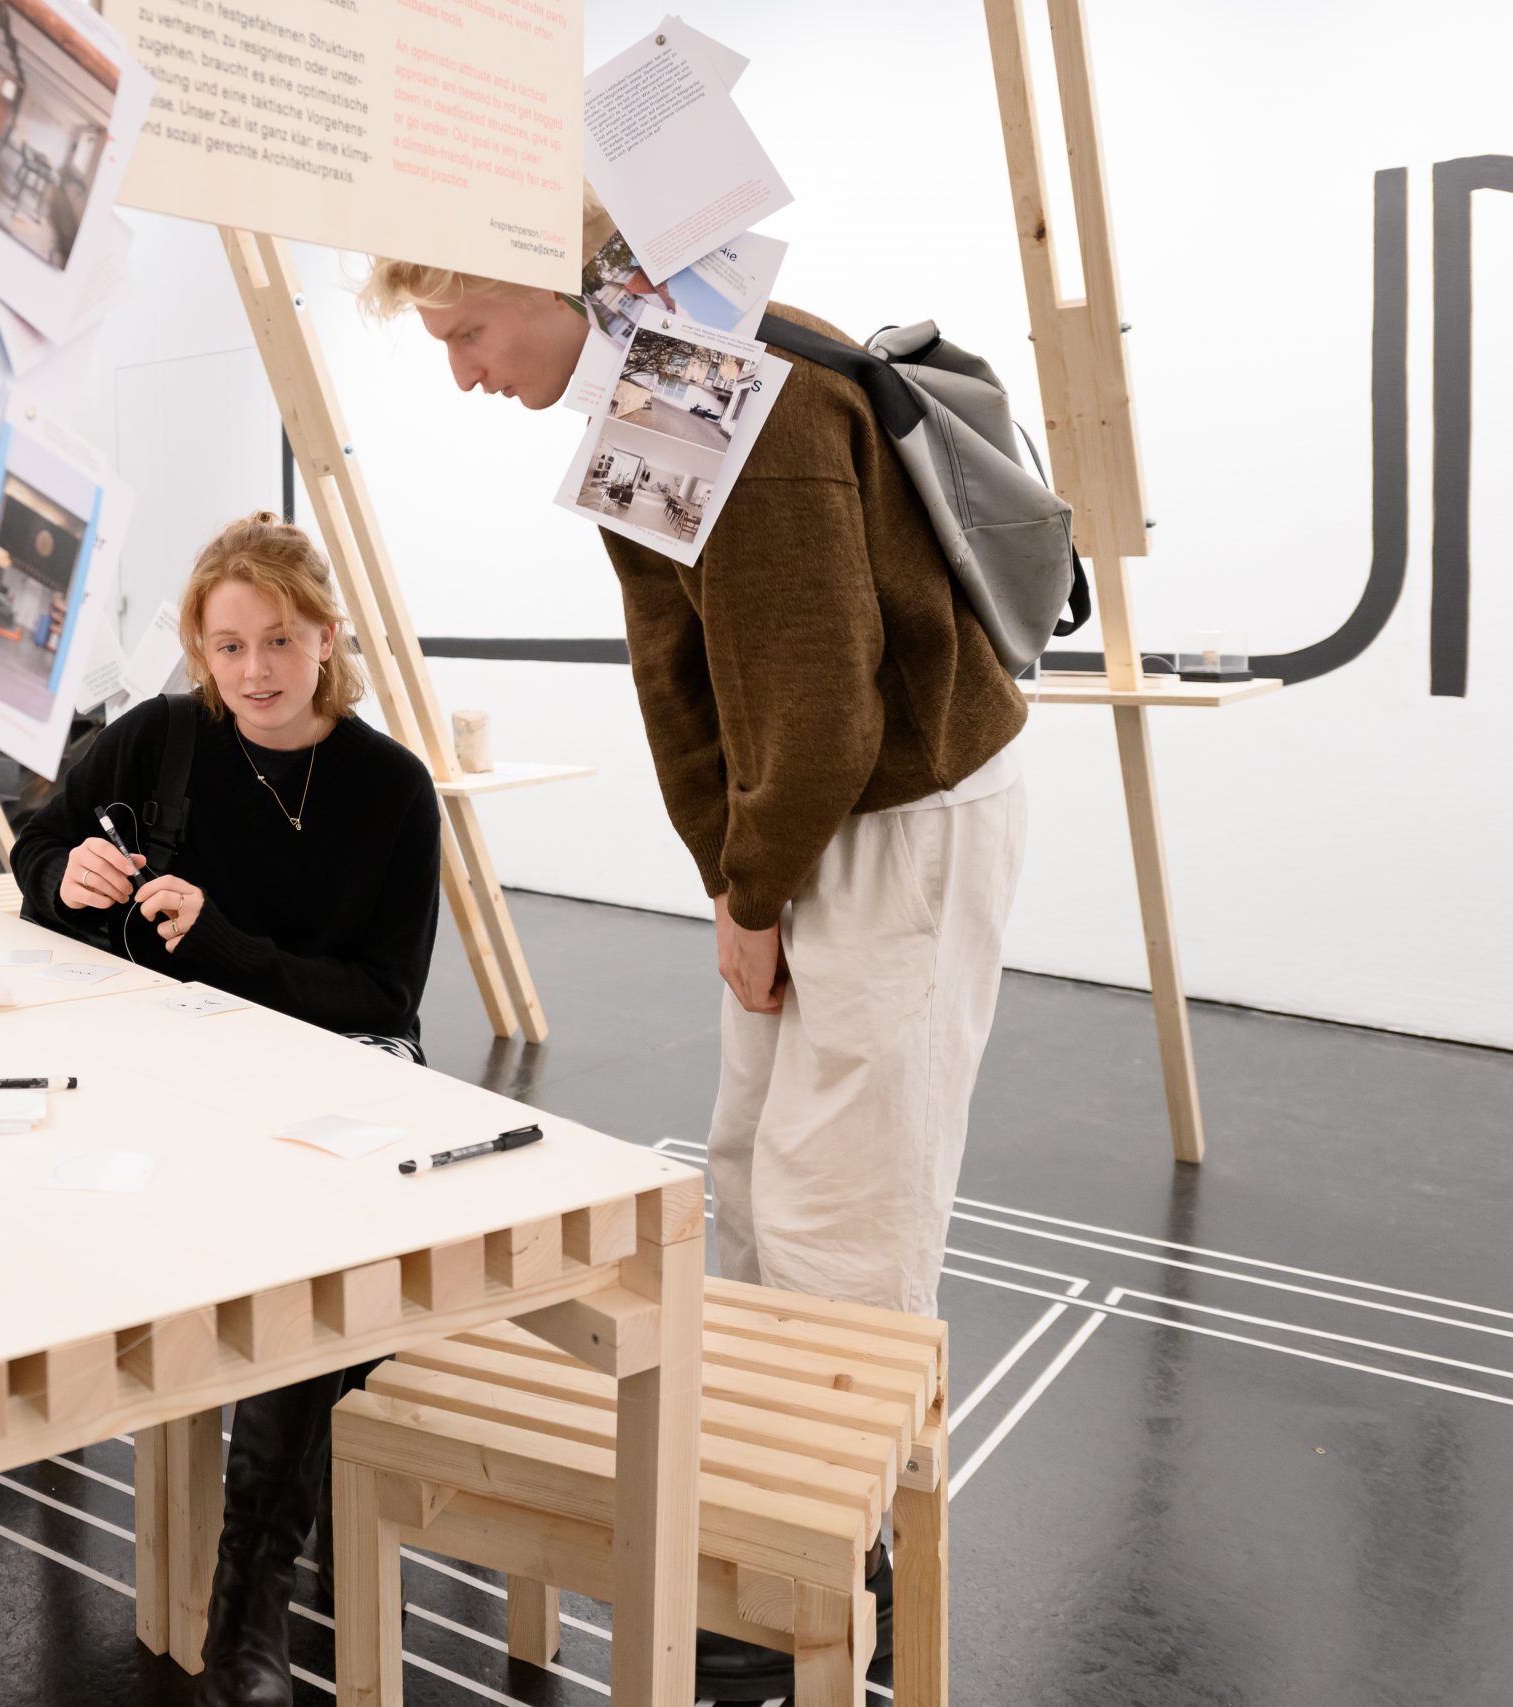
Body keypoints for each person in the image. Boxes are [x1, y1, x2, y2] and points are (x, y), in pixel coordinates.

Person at [359, 198, 1029, 1699]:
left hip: (893, 810)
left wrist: (753, 889)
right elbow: (704, 672)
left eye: (468, 331)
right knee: (752, 1168)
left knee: (848, 1187)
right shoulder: (664, 383)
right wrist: (745, 880)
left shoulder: (754, 396)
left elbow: (822, 703)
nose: (462, 372)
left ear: (552, 286)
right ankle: (768, 1512)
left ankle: (835, 1550)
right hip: (820, 822)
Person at [11, 513, 440, 1707]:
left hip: (343, 1057)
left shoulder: (392, 790)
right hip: (180, 1056)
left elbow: (380, 997)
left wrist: (225, 947)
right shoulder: (158, 740)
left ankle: (250, 1606)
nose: (254, 671)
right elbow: (40, 844)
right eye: (228, 645)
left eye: (280, 642)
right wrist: (63, 874)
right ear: (199, 649)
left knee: (305, 1246)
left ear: (326, 639)